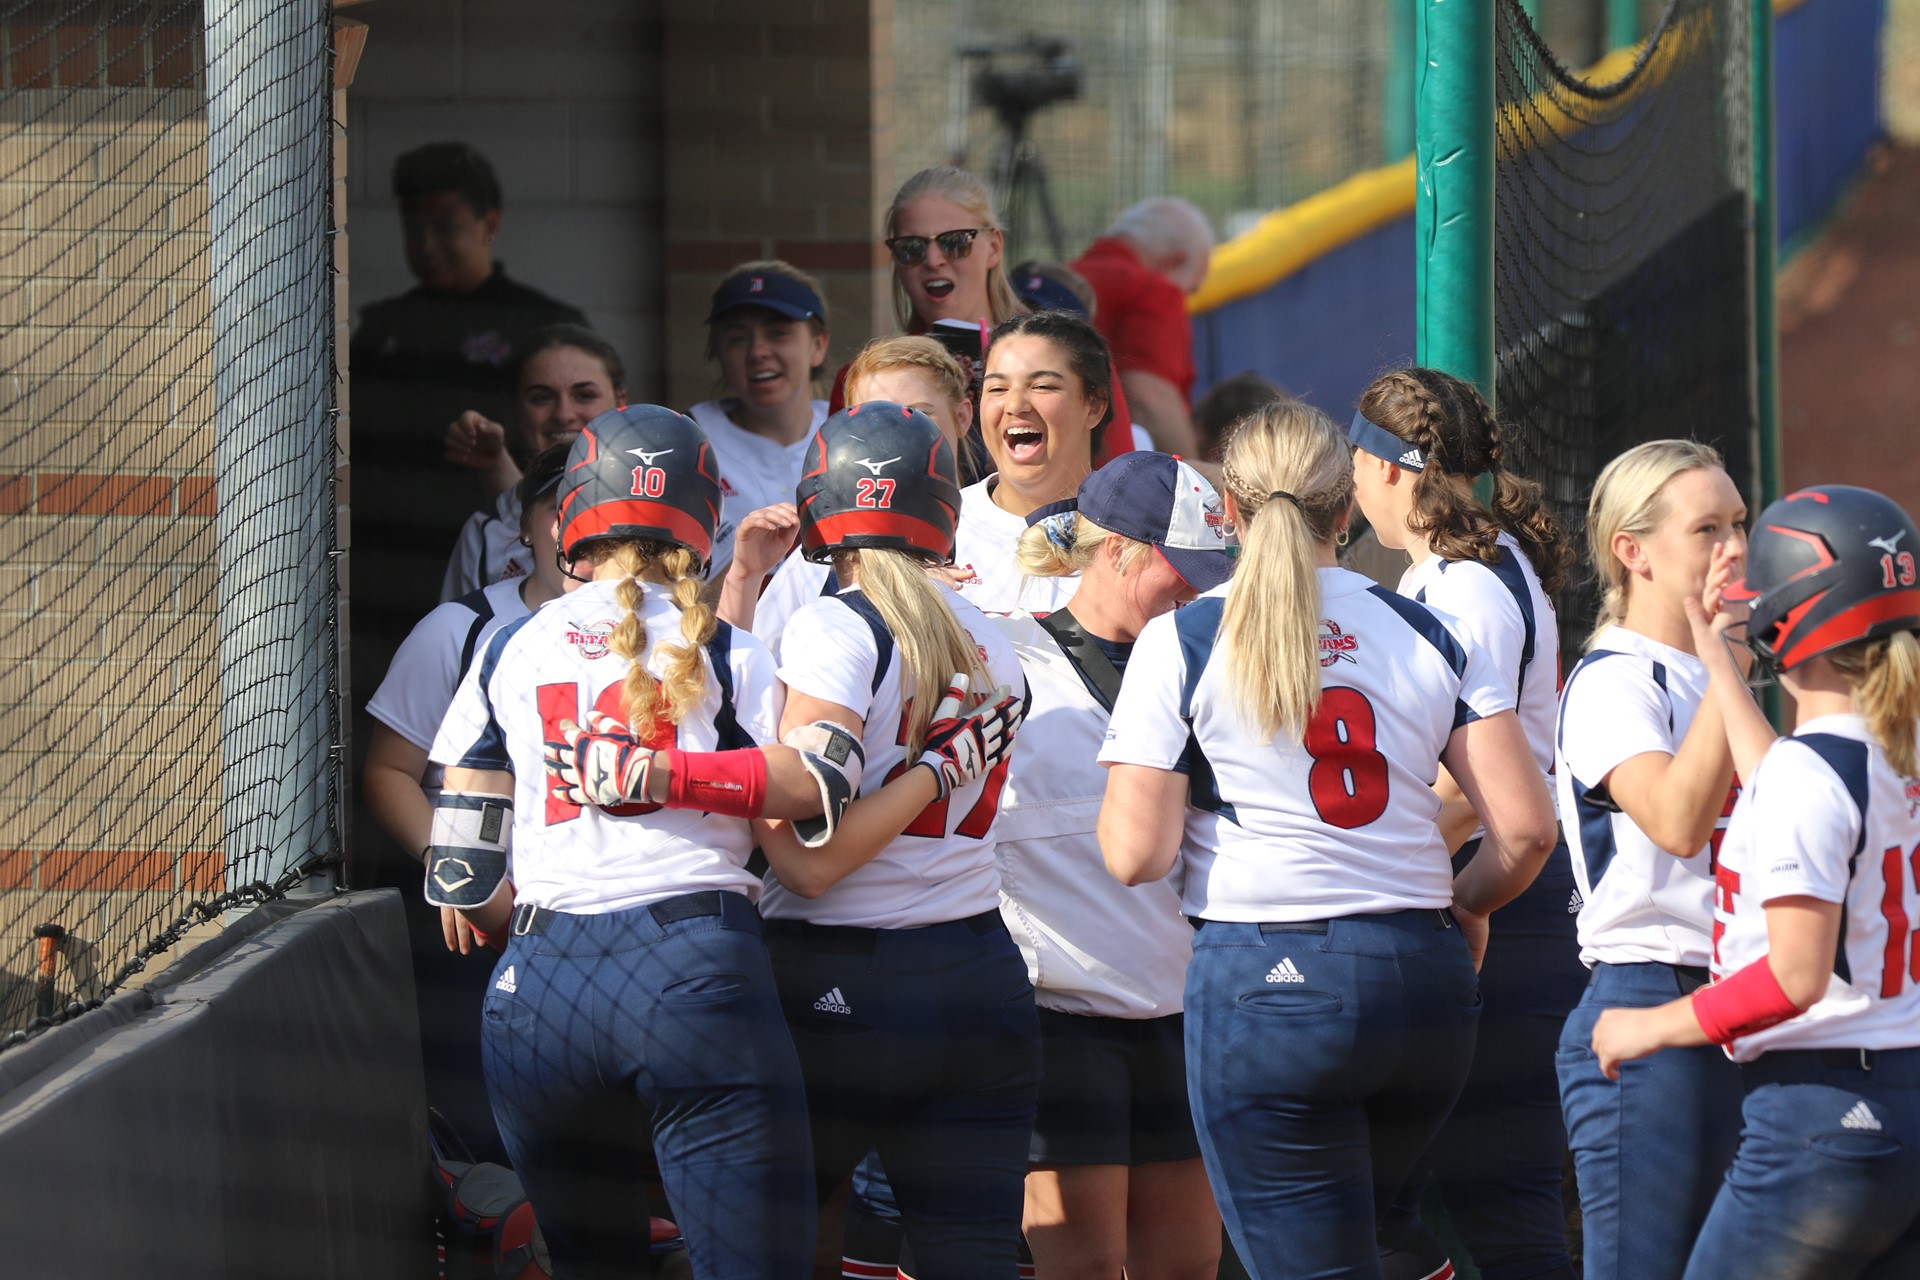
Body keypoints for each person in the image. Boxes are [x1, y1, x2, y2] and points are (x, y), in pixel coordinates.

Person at [427, 403, 1021, 1276]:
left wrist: (500, 913)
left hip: (540, 982)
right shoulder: (735, 653)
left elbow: (463, 854)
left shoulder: (509, 642)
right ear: (703, 521)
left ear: (571, 517)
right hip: (695, 966)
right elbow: (816, 785)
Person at [1097, 400, 1558, 1278]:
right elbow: (1528, 831)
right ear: (1345, 507)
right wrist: (1460, 905)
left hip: (1266, 980)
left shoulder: (1185, 635)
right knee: (1382, 1243)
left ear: (1227, 511)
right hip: (1418, 976)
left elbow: (1135, 855)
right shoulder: (1429, 626)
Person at [1591, 483, 1920, 1280]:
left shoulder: (1814, 771)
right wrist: (1716, 656)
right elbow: (1778, 775)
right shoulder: (1882, 752)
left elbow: (1797, 977)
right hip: (1896, 1095)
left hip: (1821, 1109)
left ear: (1786, 616)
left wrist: (1651, 1026)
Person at [756, 400, 1040, 1277]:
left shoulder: (835, 624)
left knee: (765, 1244)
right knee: (973, 1251)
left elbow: (808, 863)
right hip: (976, 967)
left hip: (840, 970)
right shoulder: (996, 641)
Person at [1347, 369, 1585, 1280]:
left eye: (1360, 463)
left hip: (1502, 899)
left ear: (1393, 471)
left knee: (1482, 1204)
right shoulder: (1485, 564)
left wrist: (1449, 891)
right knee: (1457, 1200)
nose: (1355, 482)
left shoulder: (1460, 591)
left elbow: (1480, 789)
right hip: (1516, 892)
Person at [998, 452, 1234, 1280]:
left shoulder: (1214, 657)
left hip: (1188, 1013)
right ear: (1118, 549)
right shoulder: (1008, 658)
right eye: (1184, 568)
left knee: (1185, 1271)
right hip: (1062, 1019)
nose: (1198, 590)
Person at [1552, 440, 1753, 1280]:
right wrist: (1728, 657)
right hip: (1648, 992)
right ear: (1632, 551)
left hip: (1739, 1001)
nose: (1735, 548)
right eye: (1708, 528)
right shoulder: (1615, 678)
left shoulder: (1713, 671)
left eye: (1740, 523)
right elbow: (1675, 819)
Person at [362, 444, 575, 1162]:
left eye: (594, 504)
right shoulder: (458, 630)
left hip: (606, 931)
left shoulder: (663, 639)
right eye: (555, 505)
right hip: (480, 933)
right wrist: (464, 872)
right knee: (492, 1146)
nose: (573, 524)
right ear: (525, 525)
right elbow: (389, 771)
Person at [727, 336, 977, 647]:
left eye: (919, 415)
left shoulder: (1003, 526)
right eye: (873, 421)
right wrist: (744, 576)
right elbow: (743, 673)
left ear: (963, 417)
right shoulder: (822, 550)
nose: (896, 437)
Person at [439, 325, 626, 599]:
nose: (564, 414)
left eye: (584, 395)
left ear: (621, 401)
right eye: (542, 398)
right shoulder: (486, 533)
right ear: (516, 409)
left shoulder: (663, 507)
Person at [686, 261, 832, 582]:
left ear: (818, 345)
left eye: (778, 333)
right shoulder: (686, 440)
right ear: (718, 353)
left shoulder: (849, 430)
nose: (757, 351)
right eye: (737, 338)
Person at [963, 310, 1114, 613]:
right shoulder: (941, 529)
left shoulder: (1133, 537)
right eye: (997, 389)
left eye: (1042, 386)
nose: (1015, 405)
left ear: (1093, 406)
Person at [1070, 197, 1214, 459]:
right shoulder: (1153, 289)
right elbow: (1150, 398)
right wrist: (1199, 484)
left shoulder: (1057, 277)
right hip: (1108, 479)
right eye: (1191, 290)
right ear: (1173, 262)